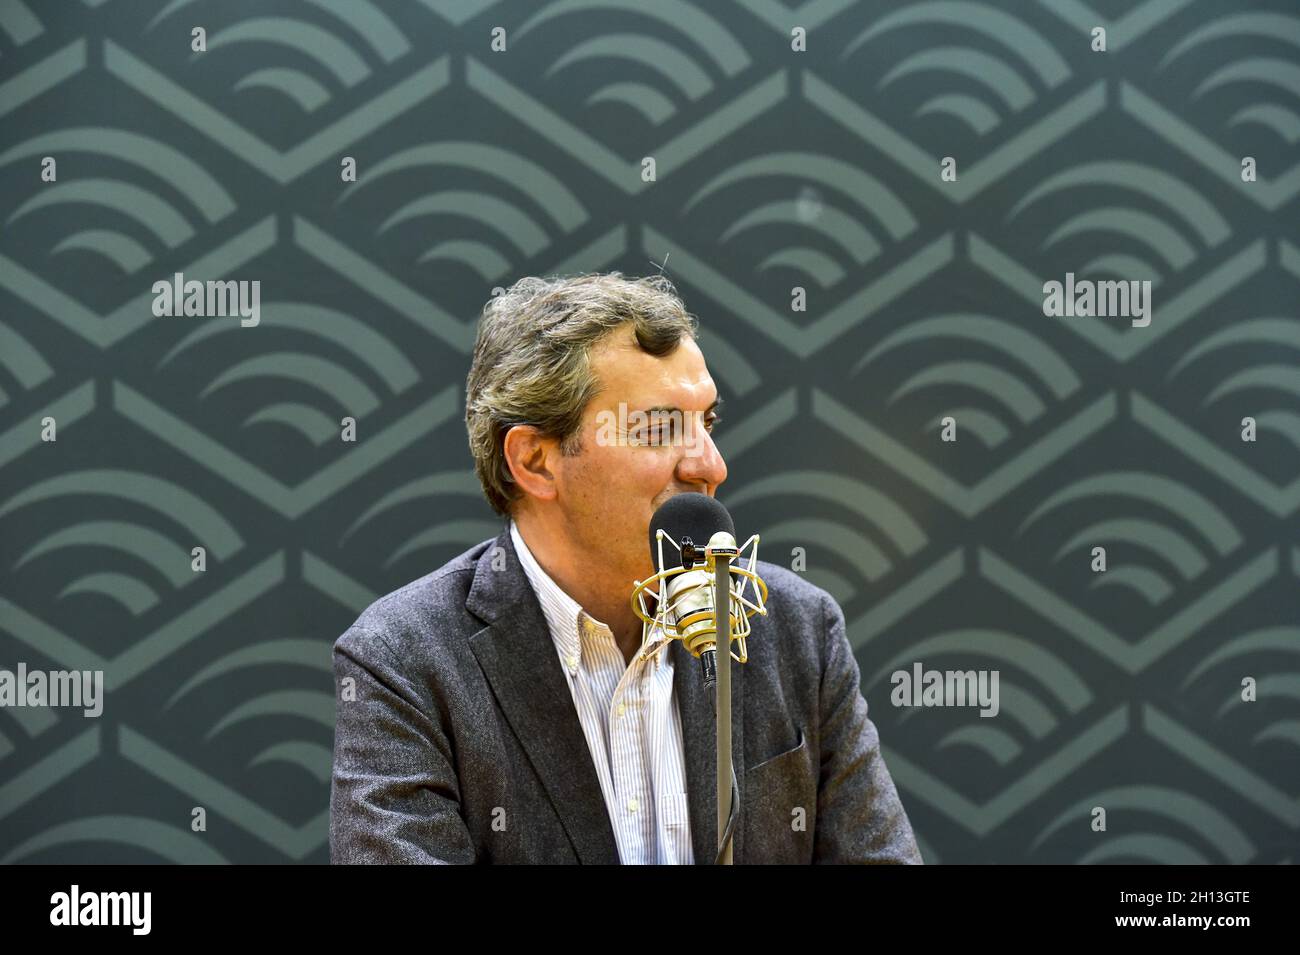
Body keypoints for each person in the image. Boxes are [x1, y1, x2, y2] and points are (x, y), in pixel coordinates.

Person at [329, 273, 922, 864]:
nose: (709, 466)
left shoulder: (798, 629)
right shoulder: (402, 661)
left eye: (707, 423)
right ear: (535, 461)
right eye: (661, 428)